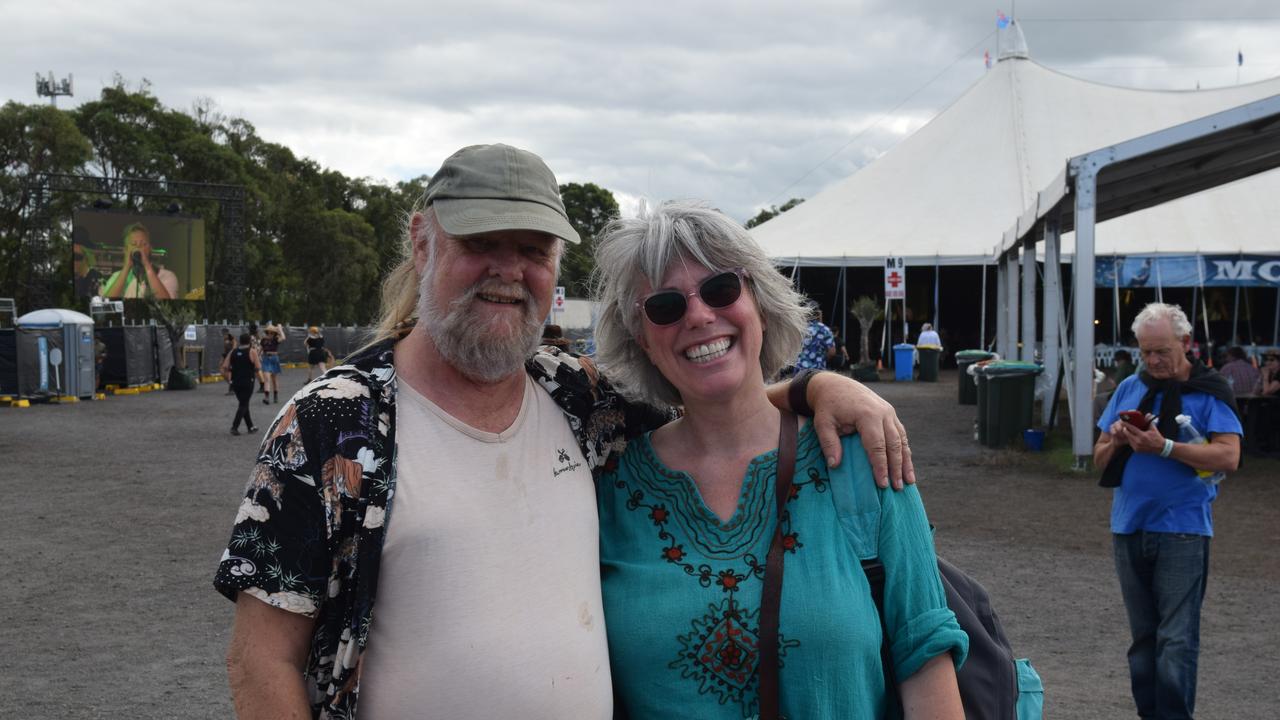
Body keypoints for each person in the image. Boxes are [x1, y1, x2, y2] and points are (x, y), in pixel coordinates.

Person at [213, 143, 916, 719]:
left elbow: (713, 399)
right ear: (423, 242)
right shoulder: (333, 422)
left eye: (533, 249)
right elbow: (261, 658)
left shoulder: (579, 398)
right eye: (481, 242)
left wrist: (816, 386)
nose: (508, 270)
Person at [592, 200, 965, 719]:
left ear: (760, 305)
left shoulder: (859, 458)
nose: (699, 316)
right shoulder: (607, 491)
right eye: (665, 306)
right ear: (642, 339)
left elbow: (925, 653)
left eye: (721, 289)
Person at [1093, 302, 1242, 720]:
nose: (1153, 361)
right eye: (1145, 352)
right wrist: (1120, 438)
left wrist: (1166, 447)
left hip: (1184, 529)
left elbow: (1229, 457)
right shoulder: (1129, 387)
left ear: (1186, 343)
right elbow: (1099, 459)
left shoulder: (1210, 390)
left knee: (1176, 639)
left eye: (1161, 351)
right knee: (1143, 638)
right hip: (1129, 525)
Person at [101, 223, 178, 300]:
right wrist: (126, 267)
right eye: (134, 244)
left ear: (150, 248)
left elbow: (167, 305)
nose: (138, 247)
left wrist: (147, 265)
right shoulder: (116, 277)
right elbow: (106, 305)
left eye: (143, 244)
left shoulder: (167, 276)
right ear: (126, 250)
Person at [220, 332, 262, 436]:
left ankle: (250, 427)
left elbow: (225, 366)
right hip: (248, 381)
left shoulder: (233, 352)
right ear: (249, 341)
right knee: (243, 404)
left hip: (235, 382)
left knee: (244, 403)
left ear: (240, 341)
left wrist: (231, 375)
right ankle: (234, 427)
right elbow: (258, 367)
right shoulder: (252, 351)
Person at [259, 324, 286, 404]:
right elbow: (260, 349)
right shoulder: (263, 340)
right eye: (268, 333)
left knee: (274, 379)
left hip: (274, 358)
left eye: (271, 333)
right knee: (267, 378)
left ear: (274, 333)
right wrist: (259, 356)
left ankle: (275, 395)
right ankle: (266, 397)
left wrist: (280, 329)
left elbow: (283, 338)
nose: (269, 334)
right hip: (266, 358)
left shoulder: (276, 339)